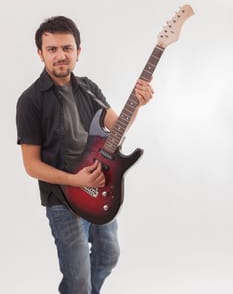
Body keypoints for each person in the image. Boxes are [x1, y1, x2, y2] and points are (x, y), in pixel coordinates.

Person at [16, 16, 154, 294]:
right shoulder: (30, 101)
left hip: (100, 190)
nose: (60, 55)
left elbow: (119, 126)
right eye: (52, 49)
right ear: (40, 53)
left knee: (108, 256)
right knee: (77, 280)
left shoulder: (89, 88)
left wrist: (137, 103)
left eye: (67, 48)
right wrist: (75, 180)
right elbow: (31, 165)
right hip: (63, 200)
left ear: (78, 52)